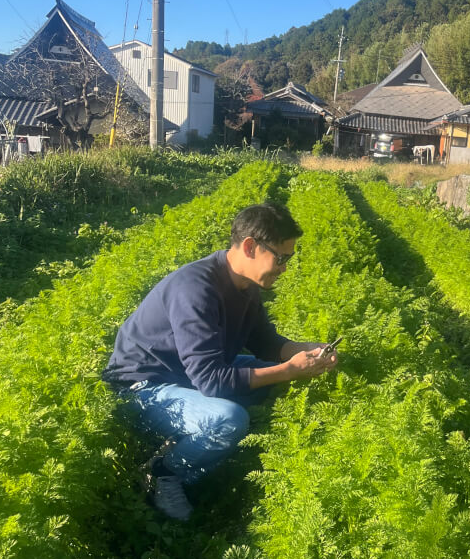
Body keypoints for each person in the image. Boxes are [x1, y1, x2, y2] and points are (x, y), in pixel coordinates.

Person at [103, 201, 338, 520]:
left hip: (186, 376)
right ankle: (163, 473)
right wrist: (288, 370)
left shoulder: (246, 286)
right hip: (141, 390)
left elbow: (265, 342)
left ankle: (191, 443)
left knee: (275, 379)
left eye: (289, 259)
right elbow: (212, 381)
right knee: (229, 419)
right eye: (281, 258)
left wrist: (303, 350)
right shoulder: (196, 290)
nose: (284, 268)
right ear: (250, 247)